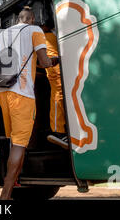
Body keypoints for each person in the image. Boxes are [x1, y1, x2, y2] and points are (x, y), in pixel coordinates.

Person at [0, 7, 58, 200]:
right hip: (22, 93)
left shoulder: (2, 35)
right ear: (32, 19)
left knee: (14, 140)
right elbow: (45, 62)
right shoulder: (35, 30)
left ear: (18, 19)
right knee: (19, 144)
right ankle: (5, 196)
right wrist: (57, 60)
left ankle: (14, 181)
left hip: (3, 91)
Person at [41, 19, 68, 150]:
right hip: (55, 70)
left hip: (59, 69)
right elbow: (50, 61)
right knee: (59, 93)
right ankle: (58, 130)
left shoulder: (52, 33)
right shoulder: (46, 37)